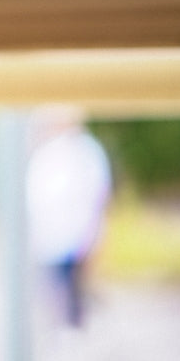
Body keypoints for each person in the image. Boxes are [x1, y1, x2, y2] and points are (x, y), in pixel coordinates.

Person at [25, 104, 113, 328]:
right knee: (52, 293)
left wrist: (95, 234)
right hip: (50, 237)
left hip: (77, 235)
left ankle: (75, 328)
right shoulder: (48, 151)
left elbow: (99, 194)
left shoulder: (86, 151)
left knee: (74, 294)